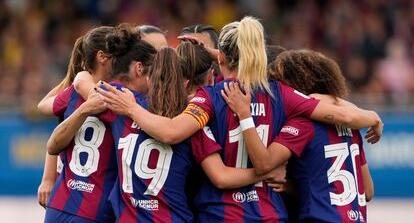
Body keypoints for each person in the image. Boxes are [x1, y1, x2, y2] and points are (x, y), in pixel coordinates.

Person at [97, 16, 381, 222]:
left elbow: (172, 132)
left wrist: (132, 109)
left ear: (221, 59)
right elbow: (338, 111)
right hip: (270, 214)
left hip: (219, 214)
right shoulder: (282, 94)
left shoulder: (207, 98)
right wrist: (373, 117)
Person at [221, 49, 376, 222]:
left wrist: (245, 116)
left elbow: (264, 163)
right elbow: (368, 191)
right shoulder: (353, 129)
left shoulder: (303, 124)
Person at [36, 26, 114, 209]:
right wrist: (48, 177)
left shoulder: (83, 85)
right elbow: (46, 110)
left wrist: (79, 80)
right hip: (78, 193)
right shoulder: (81, 90)